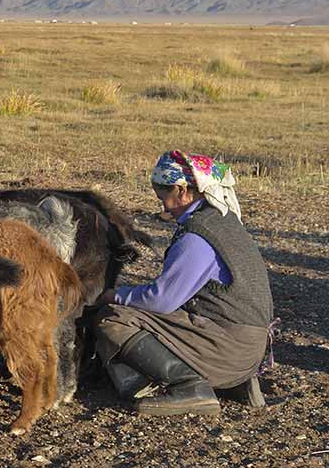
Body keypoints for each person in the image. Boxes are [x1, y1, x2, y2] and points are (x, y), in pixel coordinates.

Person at [95, 151, 274, 416]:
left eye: (163, 198)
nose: (163, 207)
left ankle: (189, 387)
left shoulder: (197, 236)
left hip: (231, 350)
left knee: (114, 318)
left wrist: (113, 295)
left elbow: (162, 299)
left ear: (181, 190)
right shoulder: (223, 219)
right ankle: (233, 382)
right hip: (249, 349)